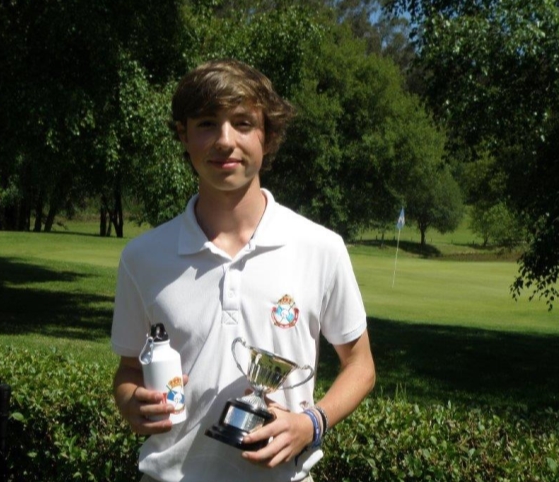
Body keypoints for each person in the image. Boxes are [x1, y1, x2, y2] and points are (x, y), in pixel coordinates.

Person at [111, 59, 376, 482]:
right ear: (183, 134)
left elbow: (360, 365)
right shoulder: (143, 256)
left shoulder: (320, 247)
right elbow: (128, 370)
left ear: (267, 136)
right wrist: (130, 402)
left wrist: (312, 422)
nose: (224, 141)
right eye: (206, 123)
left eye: (243, 123)